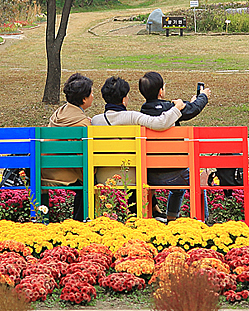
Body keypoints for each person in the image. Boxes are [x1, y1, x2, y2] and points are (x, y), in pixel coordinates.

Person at [92, 76, 185, 214]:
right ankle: (155, 212)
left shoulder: (95, 121)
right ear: (124, 99)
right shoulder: (133, 117)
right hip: (132, 178)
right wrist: (177, 108)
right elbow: (160, 123)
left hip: (102, 179)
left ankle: (156, 211)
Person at [138, 71, 210, 222]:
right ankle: (203, 220)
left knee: (178, 189)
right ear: (161, 92)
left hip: (150, 175)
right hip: (176, 173)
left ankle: (171, 218)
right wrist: (202, 96)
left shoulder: (142, 112)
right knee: (195, 180)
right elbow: (193, 109)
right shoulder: (172, 108)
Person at [41, 72, 94, 221]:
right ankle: (80, 221)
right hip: (64, 174)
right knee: (89, 181)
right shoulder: (83, 124)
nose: (93, 97)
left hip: (44, 170)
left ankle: (44, 219)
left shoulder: (58, 115)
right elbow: (81, 158)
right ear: (84, 99)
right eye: (91, 93)